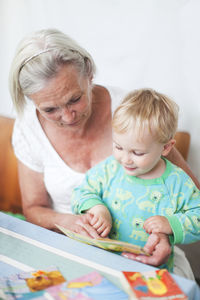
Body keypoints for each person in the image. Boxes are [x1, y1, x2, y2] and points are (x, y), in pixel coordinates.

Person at [9, 28, 199, 278]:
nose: (67, 117)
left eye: (74, 99)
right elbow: (33, 208)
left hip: (147, 253)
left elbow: (192, 198)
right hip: (74, 251)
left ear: (89, 73)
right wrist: (71, 221)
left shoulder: (134, 115)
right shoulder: (28, 128)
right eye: (50, 109)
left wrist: (166, 233)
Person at [71, 88, 200, 272]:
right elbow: (81, 191)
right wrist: (96, 207)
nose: (125, 159)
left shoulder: (177, 181)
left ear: (165, 148)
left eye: (137, 153)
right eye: (118, 147)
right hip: (102, 262)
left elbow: (198, 215)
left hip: (150, 268)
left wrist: (171, 224)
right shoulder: (110, 168)